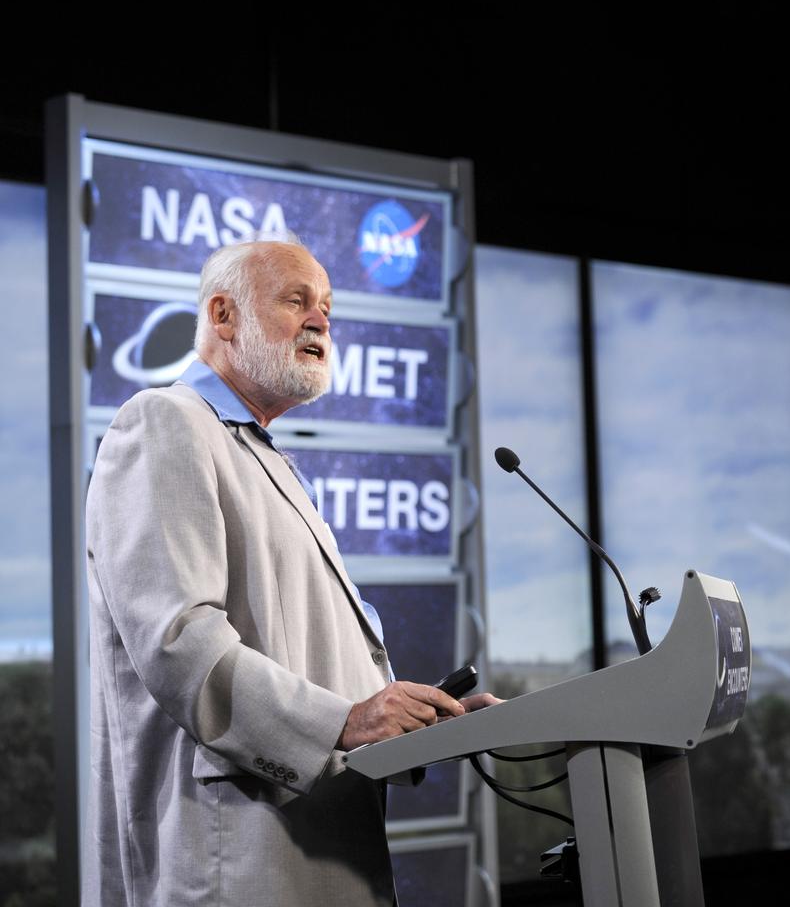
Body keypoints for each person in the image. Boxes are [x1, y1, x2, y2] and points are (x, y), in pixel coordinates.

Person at [84, 239, 495, 907]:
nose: (321, 322)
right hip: (239, 862)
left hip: (318, 847)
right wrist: (349, 721)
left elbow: (316, 667)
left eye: (327, 308)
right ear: (223, 314)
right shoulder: (164, 422)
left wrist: (427, 725)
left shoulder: (263, 455)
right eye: (296, 300)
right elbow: (179, 643)